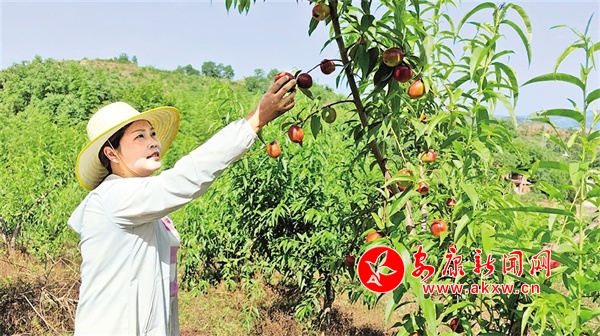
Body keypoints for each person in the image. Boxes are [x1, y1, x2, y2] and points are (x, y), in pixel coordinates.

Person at [67, 77, 297, 335]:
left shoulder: (144, 207)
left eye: (152, 134)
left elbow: (163, 288)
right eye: (139, 136)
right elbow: (185, 179)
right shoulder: (113, 196)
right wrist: (254, 121)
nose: (153, 141)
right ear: (112, 153)